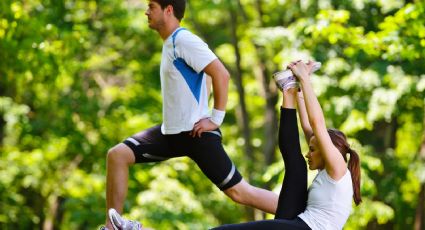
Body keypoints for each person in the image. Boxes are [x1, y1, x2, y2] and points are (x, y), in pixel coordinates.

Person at [101, 0, 279, 229]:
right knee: (117, 156)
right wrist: (200, 105)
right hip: (171, 134)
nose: (146, 11)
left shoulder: (184, 40)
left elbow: (221, 75)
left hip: (196, 135)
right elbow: (204, 77)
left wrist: (214, 119)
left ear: (168, 10)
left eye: (151, 6)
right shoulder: (170, 43)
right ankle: (111, 226)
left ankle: (302, 213)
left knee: (239, 192)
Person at [210, 60, 362, 230]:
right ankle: (289, 90)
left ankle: (291, 88)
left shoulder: (338, 168)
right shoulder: (328, 170)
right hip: (299, 221)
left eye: (312, 150)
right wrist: (299, 89)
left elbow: (317, 123)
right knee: (296, 164)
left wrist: (305, 78)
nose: (308, 154)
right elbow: (307, 125)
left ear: (328, 150)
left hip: (307, 228)